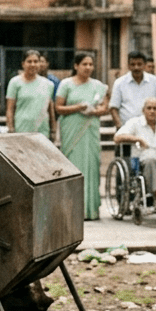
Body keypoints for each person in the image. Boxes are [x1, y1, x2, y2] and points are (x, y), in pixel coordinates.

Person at [55, 51, 109, 220]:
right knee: (73, 165)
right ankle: (72, 210)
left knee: (91, 165)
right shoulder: (66, 84)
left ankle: (90, 210)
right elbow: (58, 108)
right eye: (84, 64)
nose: (88, 67)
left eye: (90, 64)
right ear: (76, 66)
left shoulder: (98, 86)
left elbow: (104, 107)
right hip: (72, 129)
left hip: (90, 128)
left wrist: (94, 111)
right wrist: (78, 107)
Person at [109, 50, 156, 129]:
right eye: (133, 64)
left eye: (139, 64)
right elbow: (113, 108)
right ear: (128, 66)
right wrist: (120, 127)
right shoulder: (119, 83)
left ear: (144, 65)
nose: (136, 67)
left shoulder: (155, 81)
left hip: (151, 129)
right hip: (127, 129)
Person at [5, 49, 55, 139]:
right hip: (21, 130)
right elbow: (10, 109)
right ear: (23, 64)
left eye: (36, 61)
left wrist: (53, 130)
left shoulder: (48, 84)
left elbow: (50, 109)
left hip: (42, 131)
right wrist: (11, 129)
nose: (33, 64)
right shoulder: (15, 82)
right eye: (29, 61)